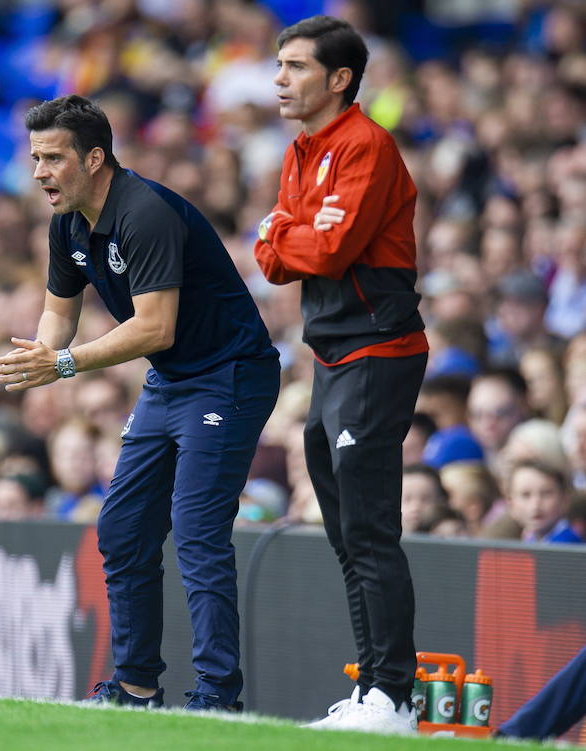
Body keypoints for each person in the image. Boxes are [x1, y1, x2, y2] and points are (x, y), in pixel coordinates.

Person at [0, 94, 279, 711]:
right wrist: (42, 354)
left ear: (95, 157)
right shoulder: (66, 222)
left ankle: (218, 697)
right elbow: (57, 311)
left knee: (198, 532)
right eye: (34, 158)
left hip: (229, 374)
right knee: (123, 529)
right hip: (172, 380)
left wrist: (63, 363)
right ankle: (135, 686)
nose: (39, 172)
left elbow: (155, 328)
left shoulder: (144, 212)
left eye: (53, 158)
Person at [253, 15, 427, 734]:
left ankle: (396, 696)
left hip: (378, 352)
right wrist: (287, 237)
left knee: (370, 528)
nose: (279, 79)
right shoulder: (301, 149)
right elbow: (269, 258)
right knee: (346, 532)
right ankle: (371, 690)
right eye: (279, 65)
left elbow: (322, 251)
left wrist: (283, 234)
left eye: (295, 67)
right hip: (330, 355)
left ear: (339, 79)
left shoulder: (367, 145)